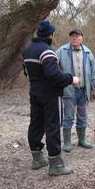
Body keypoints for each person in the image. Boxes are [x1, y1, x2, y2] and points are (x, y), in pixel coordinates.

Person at [22, 20, 80, 176]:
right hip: (51, 96)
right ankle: (55, 165)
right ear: (50, 34)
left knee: (36, 124)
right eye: (53, 34)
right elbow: (54, 75)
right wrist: (70, 79)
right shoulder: (47, 51)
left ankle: (37, 158)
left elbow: (26, 72)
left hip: (35, 93)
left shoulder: (27, 51)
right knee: (53, 126)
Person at [56, 29, 95, 152]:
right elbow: (54, 69)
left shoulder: (88, 52)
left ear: (82, 38)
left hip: (83, 90)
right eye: (72, 36)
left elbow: (93, 70)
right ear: (70, 38)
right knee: (68, 117)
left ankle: (82, 140)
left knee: (82, 117)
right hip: (68, 90)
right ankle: (67, 143)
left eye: (77, 36)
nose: (75, 38)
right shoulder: (61, 51)